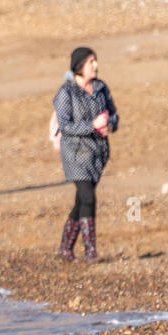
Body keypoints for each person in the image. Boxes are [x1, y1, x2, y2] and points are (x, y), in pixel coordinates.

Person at [53, 46, 118, 261]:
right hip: (75, 153)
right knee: (89, 197)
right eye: (91, 62)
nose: (96, 66)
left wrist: (110, 124)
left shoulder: (101, 88)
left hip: (98, 153)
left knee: (82, 201)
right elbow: (65, 126)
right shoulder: (66, 93)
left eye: (96, 61)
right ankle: (91, 252)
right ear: (79, 66)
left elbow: (114, 115)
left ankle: (65, 247)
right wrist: (92, 125)